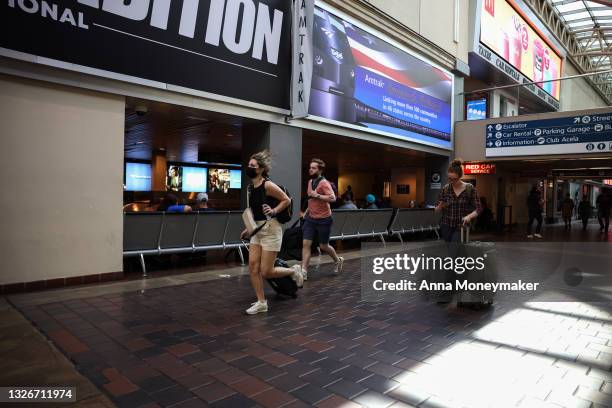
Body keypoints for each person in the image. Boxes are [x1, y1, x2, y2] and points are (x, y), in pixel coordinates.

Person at [240, 150, 303, 315]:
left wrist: (274, 210)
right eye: (249, 165)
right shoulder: (250, 188)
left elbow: (286, 200)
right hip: (257, 230)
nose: (249, 168)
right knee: (253, 267)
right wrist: (249, 228)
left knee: (266, 271)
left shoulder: (267, 185)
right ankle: (262, 302)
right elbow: (255, 212)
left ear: (260, 169)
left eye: (252, 166)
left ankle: (294, 271)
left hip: (271, 230)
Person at [301, 158, 344, 281]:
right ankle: (304, 271)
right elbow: (310, 198)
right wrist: (306, 212)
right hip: (310, 218)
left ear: (319, 170)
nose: (310, 169)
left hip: (324, 219)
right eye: (310, 167)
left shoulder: (324, 183)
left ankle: (337, 260)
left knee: (323, 246)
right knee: (306, 244)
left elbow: (333, 198)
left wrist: (318, 195)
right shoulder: (310, 182)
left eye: (313, 168)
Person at [435, 159, 481, 244]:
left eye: (454, 179)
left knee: (454, 250)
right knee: (452, 251)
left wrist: (469, 217)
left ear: (460, 176)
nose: (451, 181)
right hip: (446, 225)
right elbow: (436, 210)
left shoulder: (469, 188)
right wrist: (440, 206)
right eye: (449, 179)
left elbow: (478, 209)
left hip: (461, 226)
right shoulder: (445, 189)